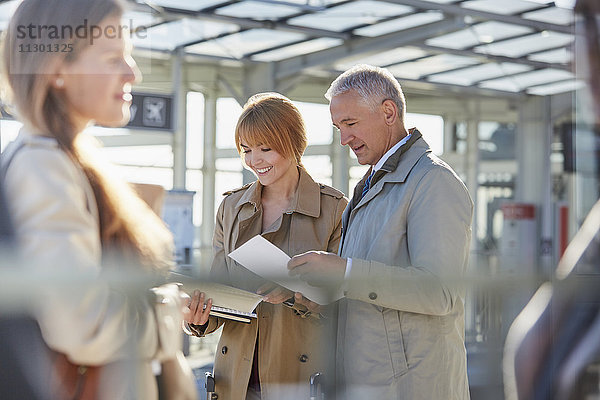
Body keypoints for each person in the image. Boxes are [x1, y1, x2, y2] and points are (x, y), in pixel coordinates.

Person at [0, 1, 194, 398]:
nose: (132, 72)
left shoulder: (66, 158)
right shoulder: (44, 167)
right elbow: (81, 322)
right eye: (112, 58)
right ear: (56, 68)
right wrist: (167, 313)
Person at [288, 64, 473, 399]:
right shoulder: (372, 185)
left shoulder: (434, 182)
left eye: (350, 123)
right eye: (337, 127)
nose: (344, 138)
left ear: (389, 112)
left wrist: (344, 272)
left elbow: (440, 293)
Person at [185, 92, 348, 400]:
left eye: (265, 148)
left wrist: (295, 292)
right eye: (246, 150)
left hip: (302, 381)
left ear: (293, 143)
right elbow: (219, 290)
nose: (254, 160)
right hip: (234, 381)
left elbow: (348, 306)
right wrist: (200, 318)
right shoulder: (231, 207)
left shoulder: (334, 210)